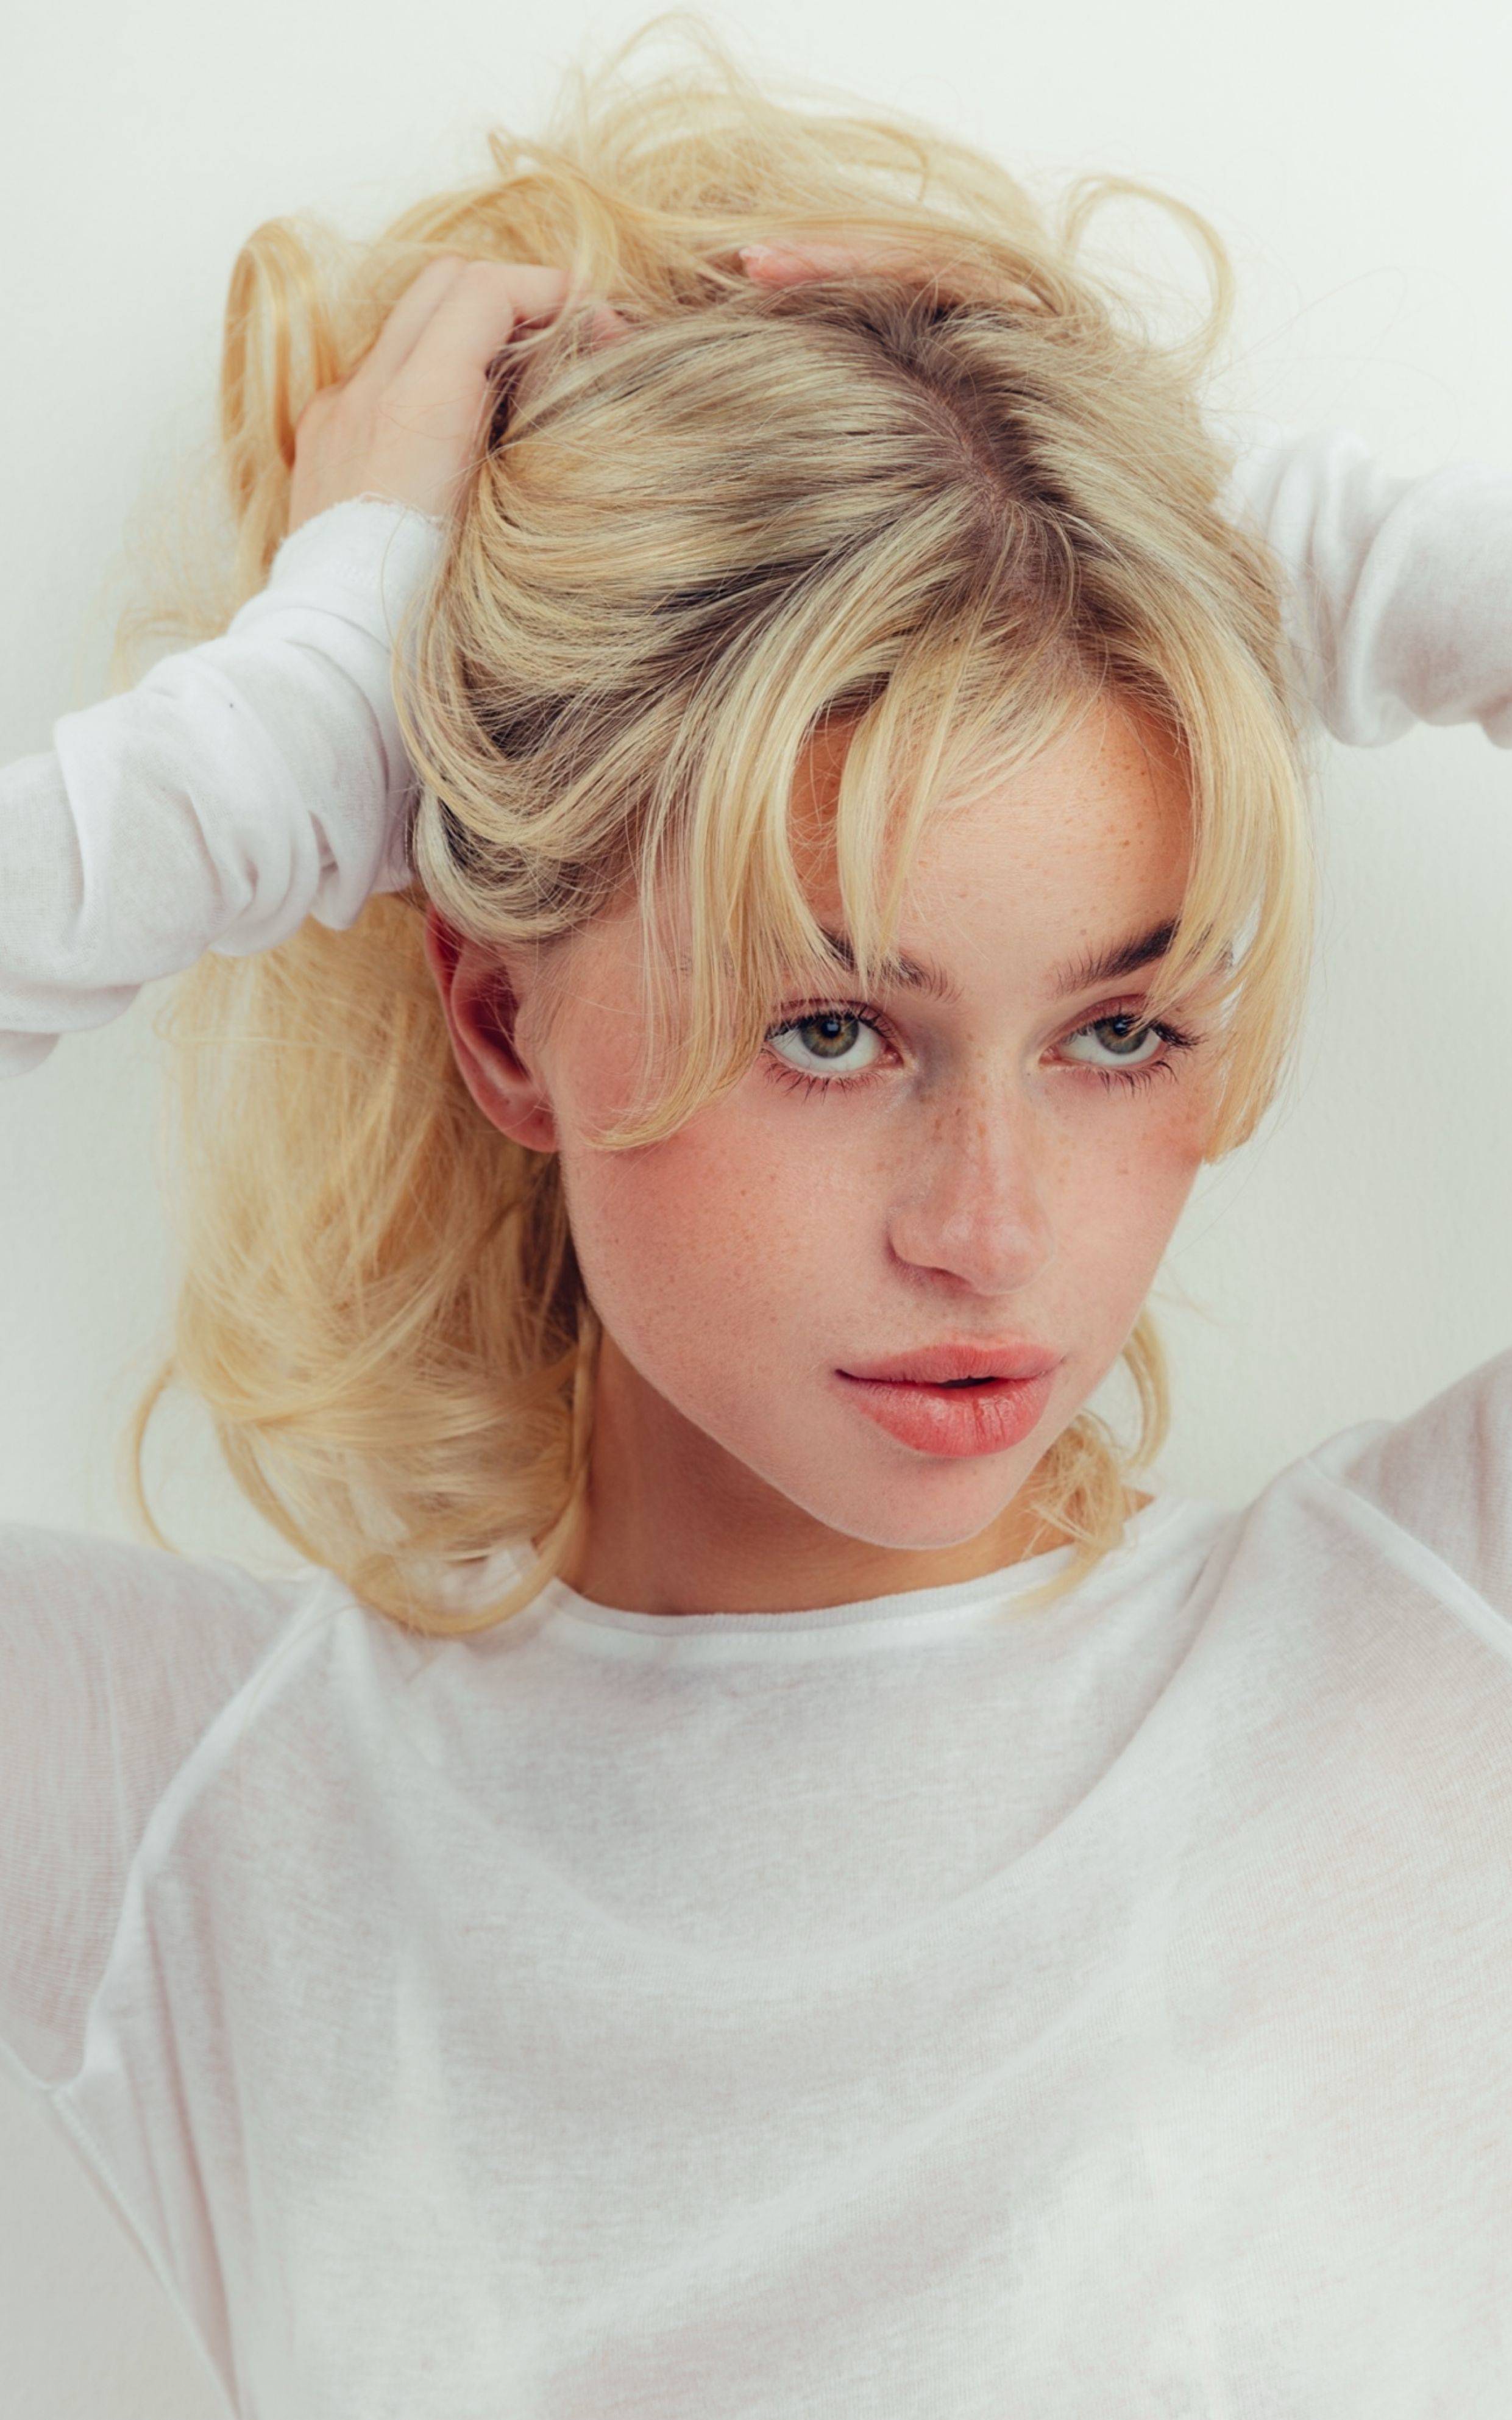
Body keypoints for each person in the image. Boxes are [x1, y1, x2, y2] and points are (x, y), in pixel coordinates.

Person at [3, 24, 1511, 2416]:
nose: (991, 1231)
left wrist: (1235, 548)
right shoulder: (194, 1814)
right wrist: (280, 737)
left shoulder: (1433, 1644)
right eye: (832, 1028)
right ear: (500, 1021)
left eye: (1119, 1027)